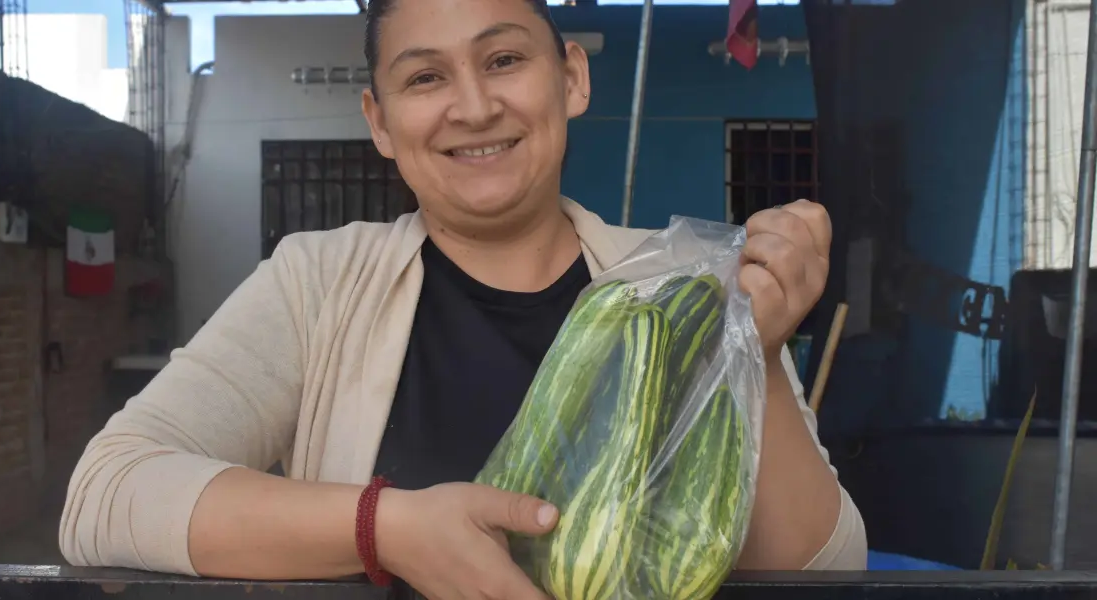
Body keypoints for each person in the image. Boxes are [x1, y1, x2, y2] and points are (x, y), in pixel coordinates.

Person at [58, 0, 867, 596]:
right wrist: (387, 529)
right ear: (379, 120)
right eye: (425, 76)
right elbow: (106, 495)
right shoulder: (318, 286)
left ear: (572, 78)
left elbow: (822, 574)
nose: (474, 106)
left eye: (505, 59)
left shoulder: (682, 297)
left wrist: (754, 357)